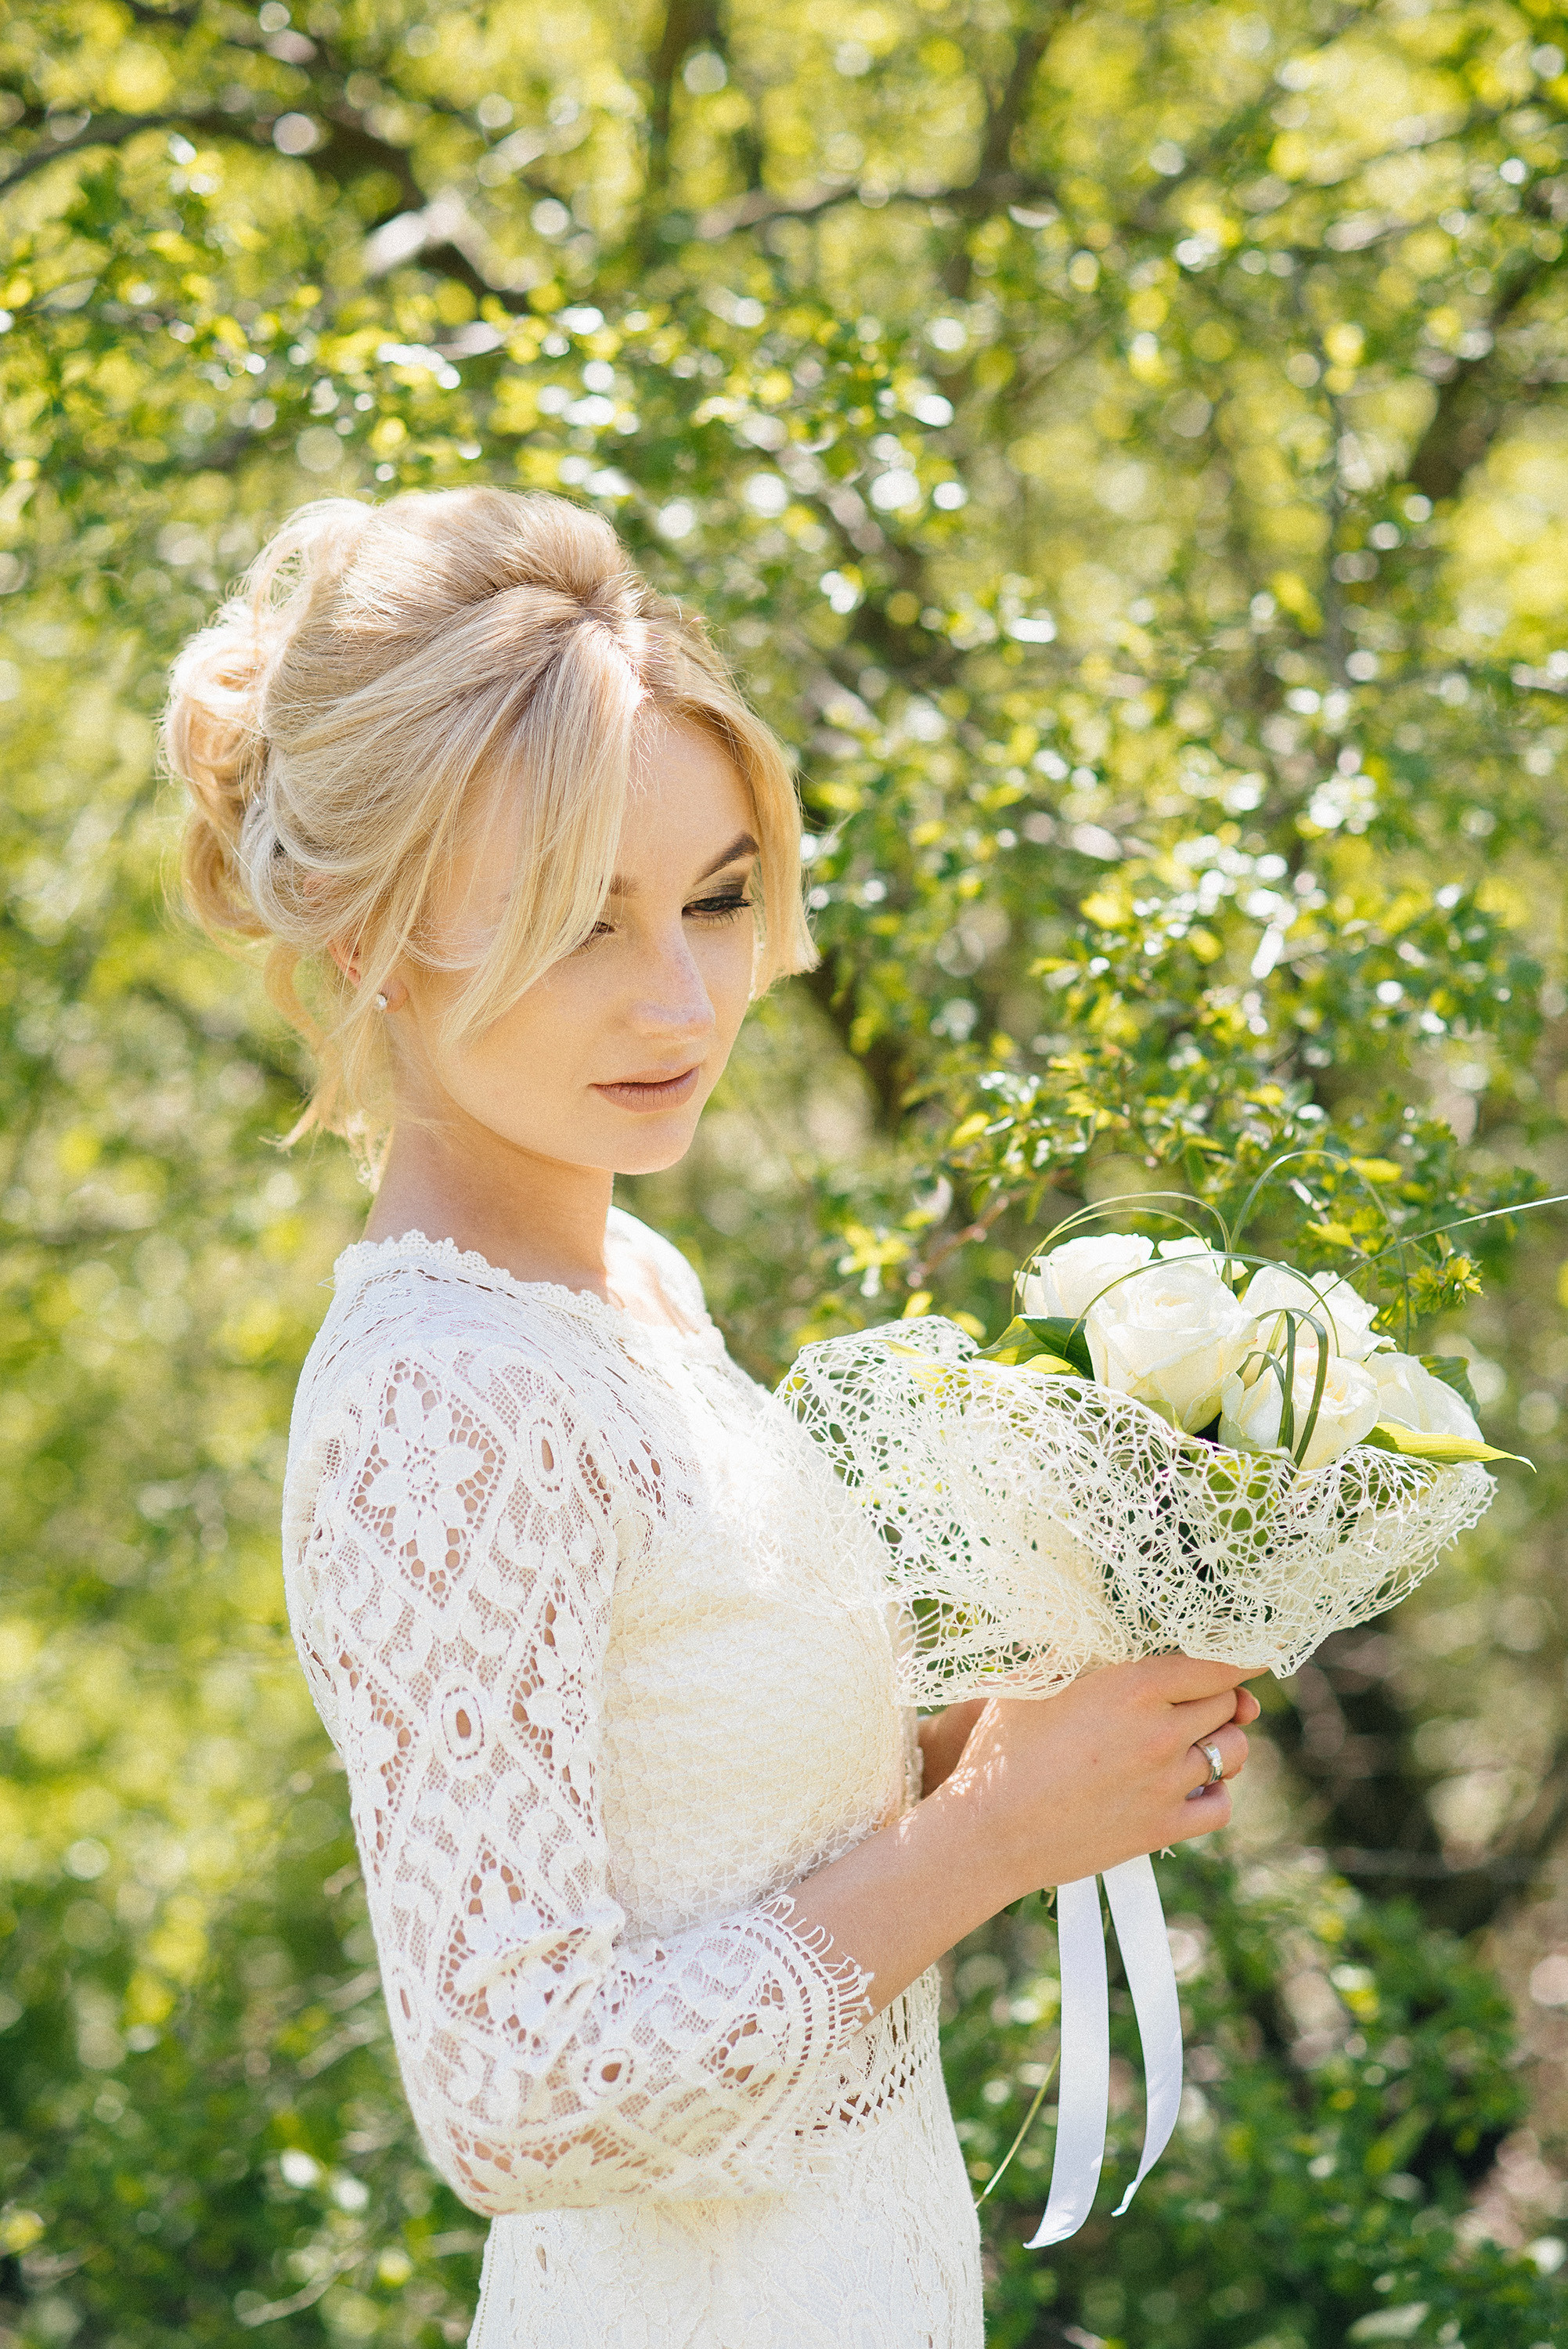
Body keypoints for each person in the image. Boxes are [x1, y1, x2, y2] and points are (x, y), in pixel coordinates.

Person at [164, 486, 1260, 2349]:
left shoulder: (635, 1286)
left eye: (719, 898)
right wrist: (989, 1839)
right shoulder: (446, 1405)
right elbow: (520, 2096)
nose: (681, 999)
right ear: (364, 942)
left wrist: (1044, 1745)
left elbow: (729, 1837)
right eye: (578, 925)